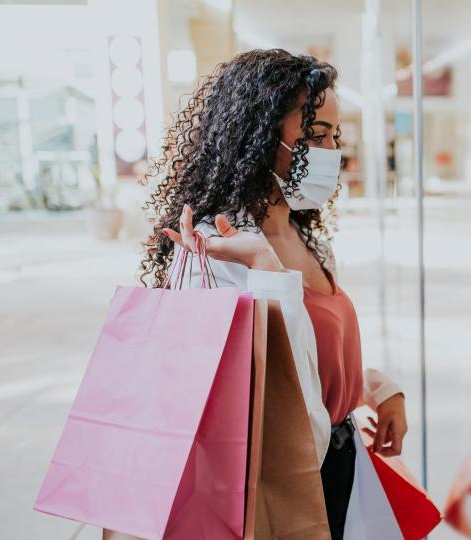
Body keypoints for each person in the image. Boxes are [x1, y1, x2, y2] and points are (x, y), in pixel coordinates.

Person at [137, 49, 408, 539]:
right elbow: (260, 394)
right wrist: (263, 268)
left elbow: (313, 358)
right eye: (313, 137)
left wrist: (374, 387)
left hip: (337, 463)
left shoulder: (310, 240)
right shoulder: (212, 250)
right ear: (258, 141)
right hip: (276, 483)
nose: (331, 152)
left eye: (334, 136)